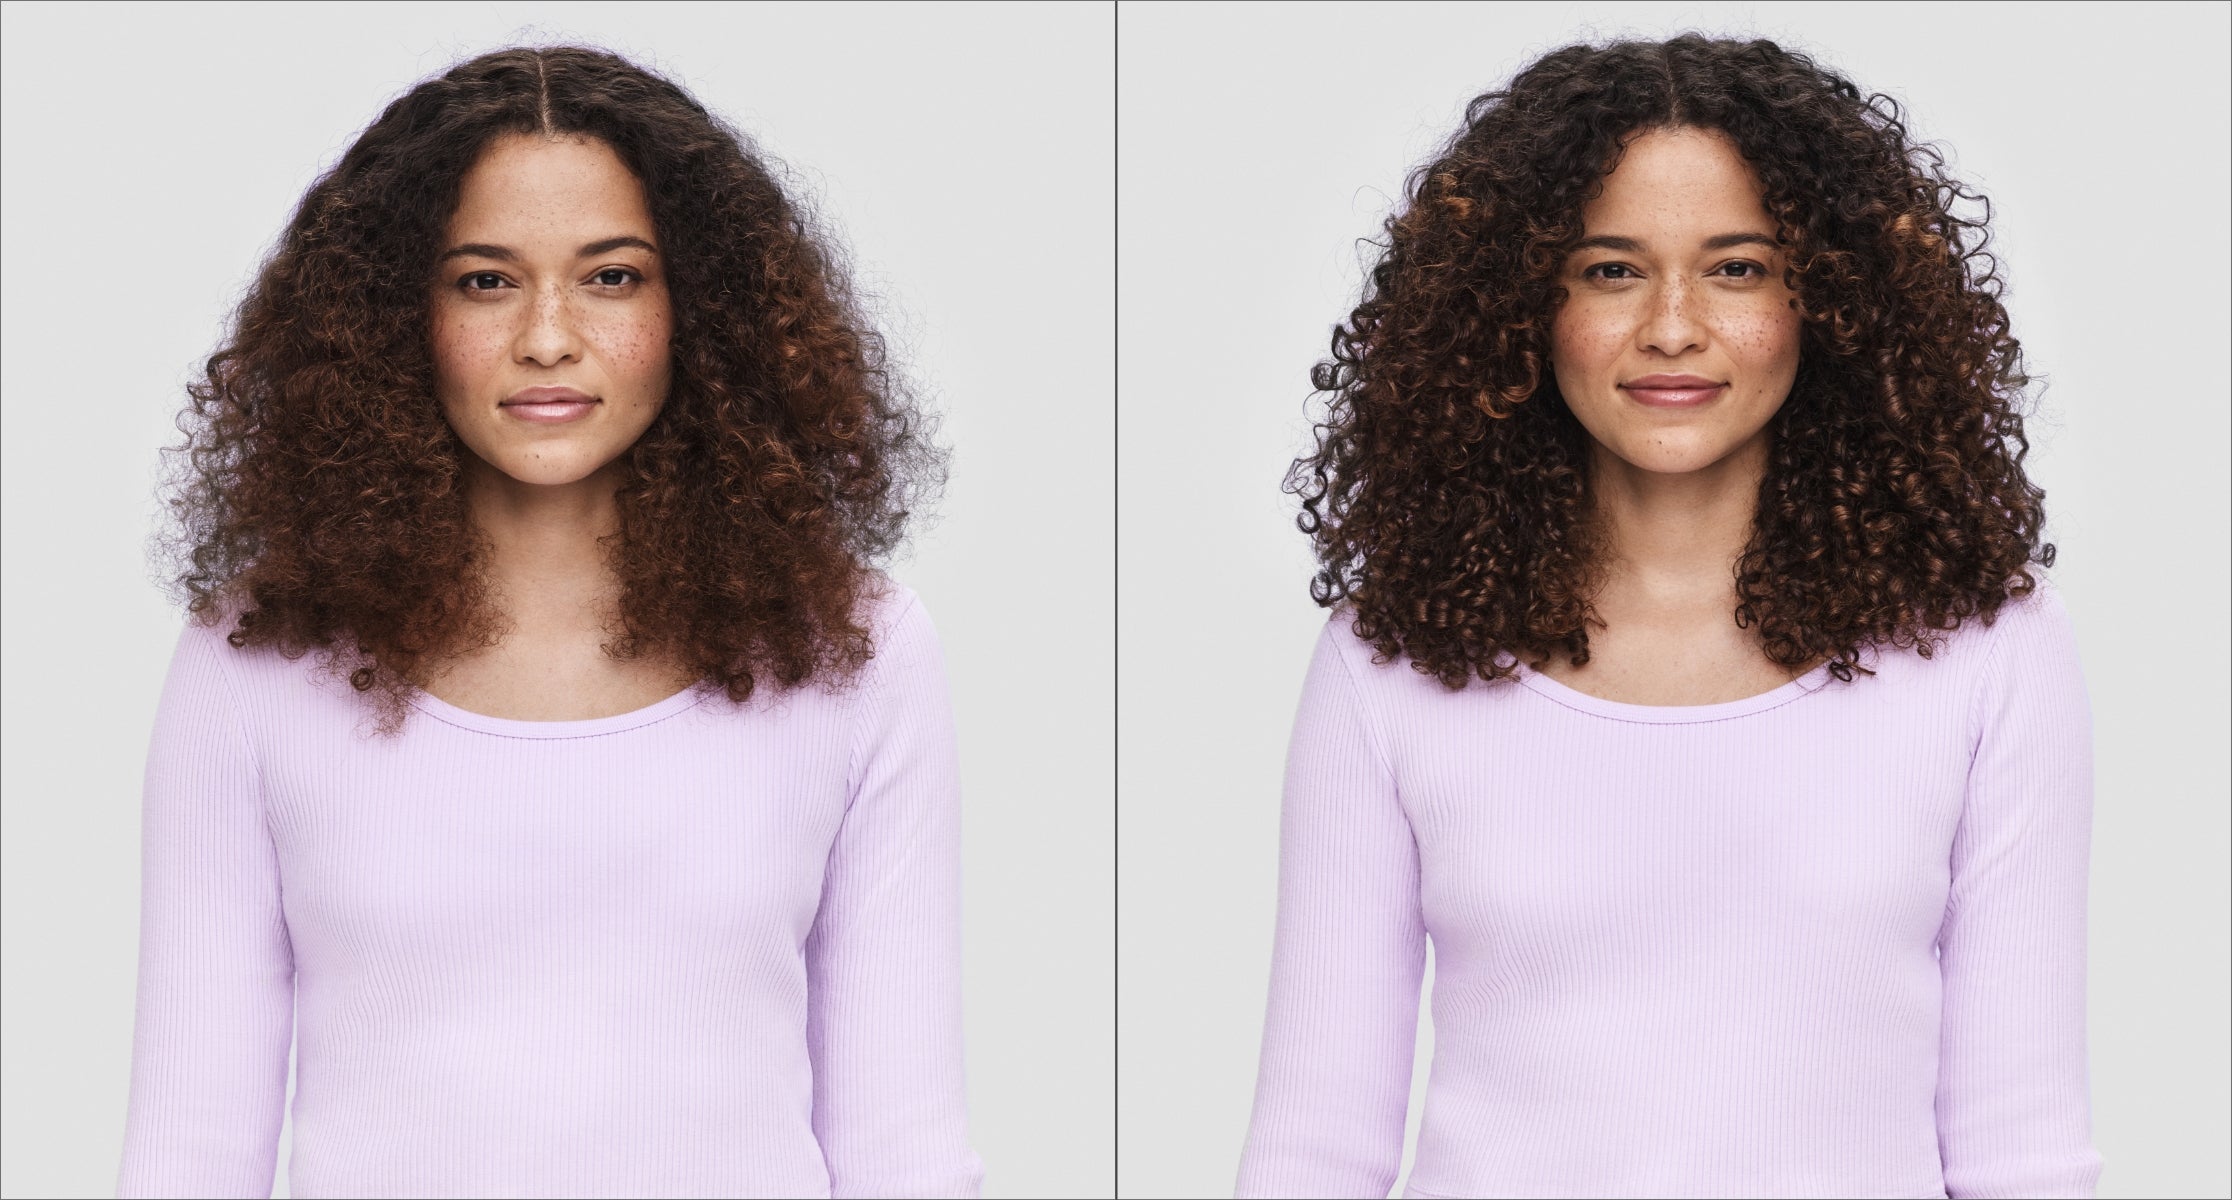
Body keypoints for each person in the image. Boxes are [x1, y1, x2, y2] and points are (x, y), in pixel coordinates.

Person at [1237, 34, 2098, 1200]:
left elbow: (2021, 1152)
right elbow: (1315, 1154)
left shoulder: (1985, 651)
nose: (1675, 326)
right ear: (1517, 308)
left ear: (1826, 297)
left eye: (1737, 268)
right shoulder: (1389, 659)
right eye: (1610, 270)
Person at [117, 45, 981, 1199]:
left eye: (612, 277)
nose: (547, 337)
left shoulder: (856, 651)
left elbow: (903, 1153)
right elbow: (187, 1158)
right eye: (485, 280)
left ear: (699, 308)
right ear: (393, 318)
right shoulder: (255, 661)